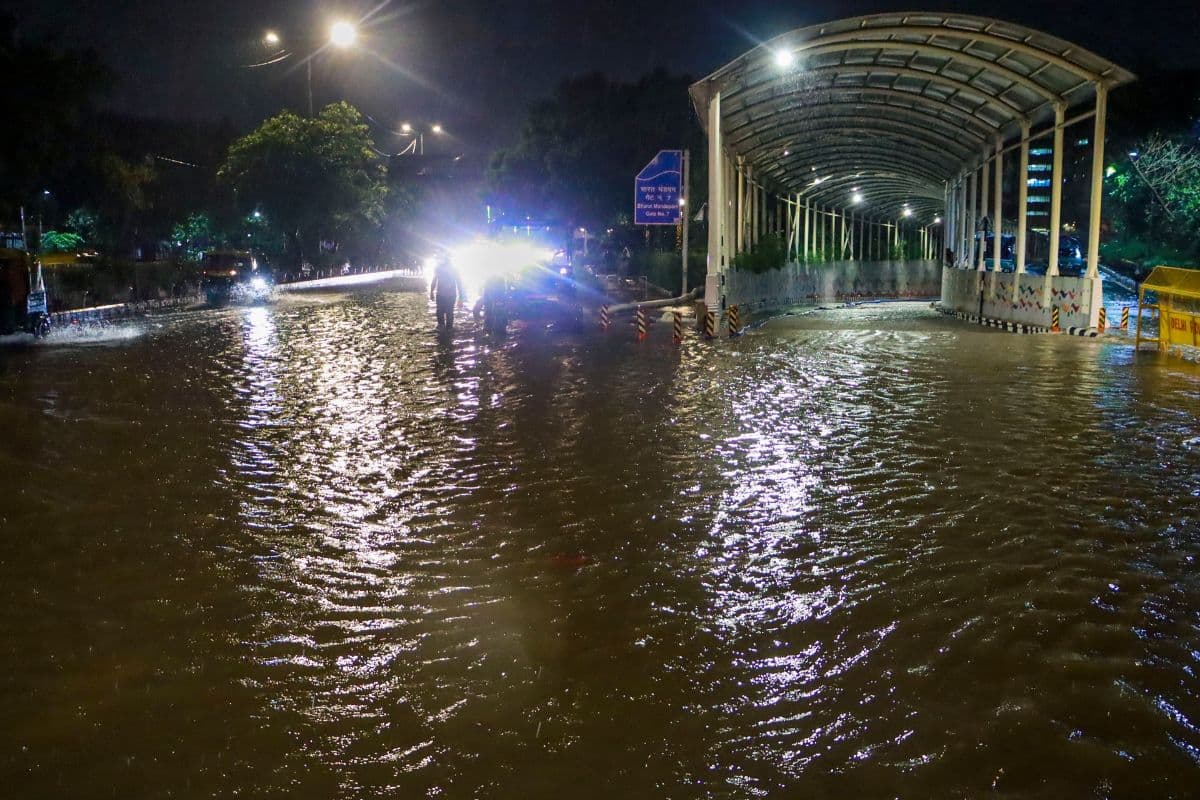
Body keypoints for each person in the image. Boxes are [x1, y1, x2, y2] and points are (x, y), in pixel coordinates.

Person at [429, 254, 463, 329]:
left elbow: (459, 283)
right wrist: (431, 292)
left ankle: (446, 330)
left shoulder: (452, 269)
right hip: (445, 295)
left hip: (447, 295)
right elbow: (434, 280)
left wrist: (461, 298)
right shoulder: (439, 268)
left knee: (445, 312)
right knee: (444, 312)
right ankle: (446, 330)